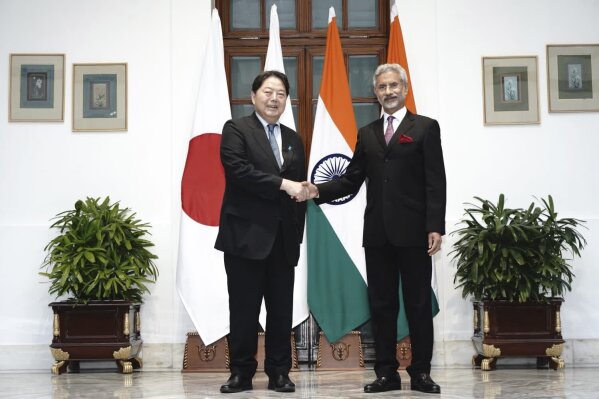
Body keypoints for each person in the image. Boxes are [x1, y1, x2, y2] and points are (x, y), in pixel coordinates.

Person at [304, 63, 446, 394]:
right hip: (377, 234)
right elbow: (352, 178)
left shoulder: (425, 127)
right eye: (382, 87)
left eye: (394, 85)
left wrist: (434, 226)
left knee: (418, 304)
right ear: (376, 93)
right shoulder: (367, 132)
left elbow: (435, 181)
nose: (388, 91)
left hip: (414, 233)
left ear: (405, 89)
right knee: (381, 305)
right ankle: (386, 373)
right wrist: (317, 190)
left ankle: (421, 373)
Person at [215, 70, 307, 394]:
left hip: (283, 241)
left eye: (281, 93)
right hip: (245, 238)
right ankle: (241, 373)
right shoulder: (236, 129)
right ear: (253, 96)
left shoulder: (294, 139)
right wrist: (284, 184)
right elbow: (240, 173)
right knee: (243, 310)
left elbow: (300, 194)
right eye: (268, 92)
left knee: (281, 312)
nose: (274, 98)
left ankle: (279, 372)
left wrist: (296, 234)